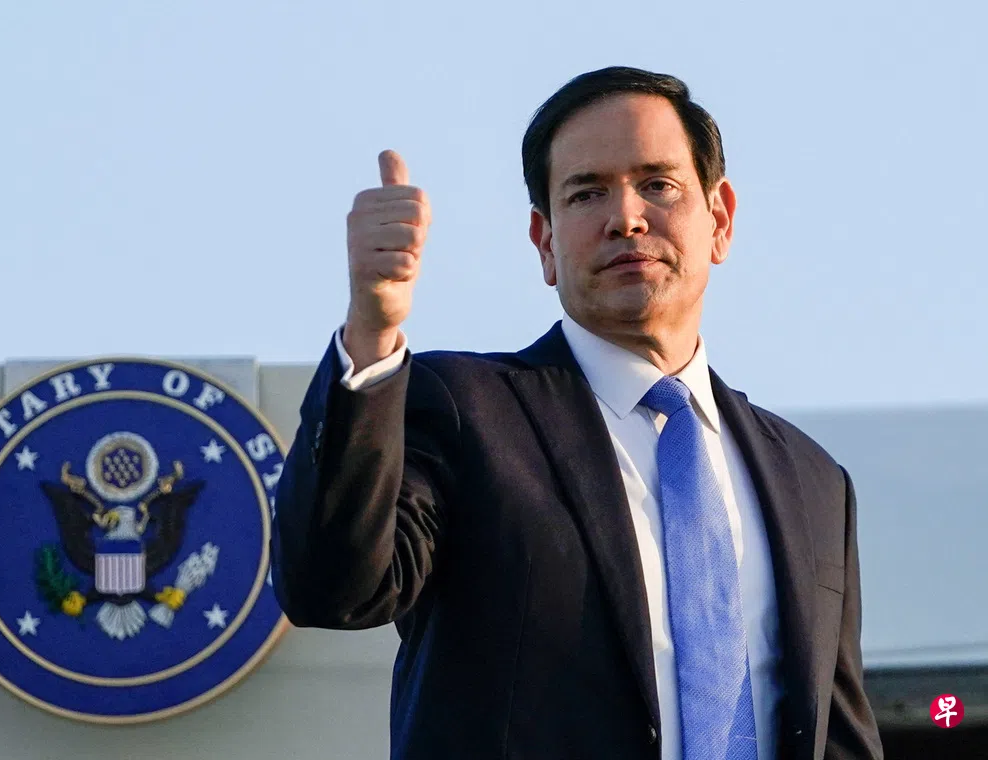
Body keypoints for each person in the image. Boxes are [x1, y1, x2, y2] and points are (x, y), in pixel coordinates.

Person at [270, 66, 884, 760]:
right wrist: (371, 328)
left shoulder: (812, 480)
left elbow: (840, 736)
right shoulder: (464, 410)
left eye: (658, 184)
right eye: (587, 193)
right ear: (545, 242)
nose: (626, 217)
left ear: (720, 219)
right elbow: (332, 588)